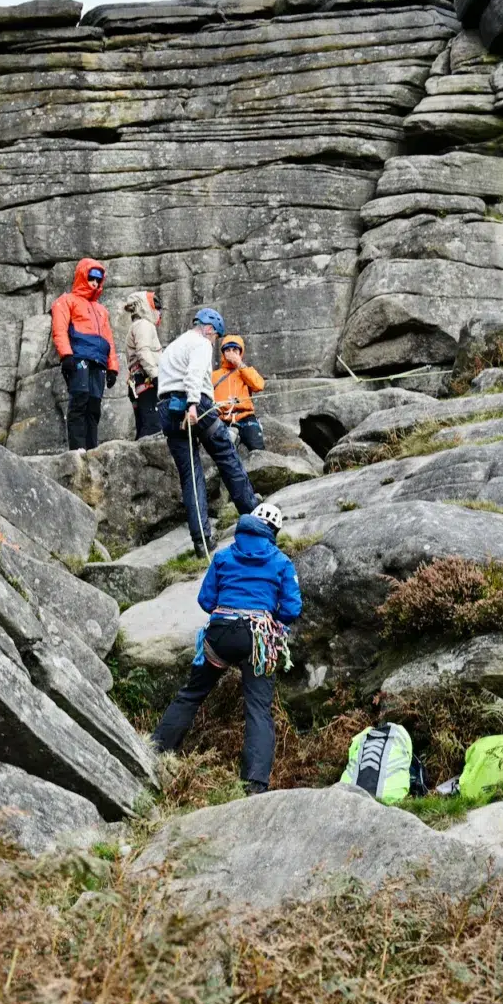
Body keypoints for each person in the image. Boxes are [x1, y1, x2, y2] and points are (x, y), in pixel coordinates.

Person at [151, 503, 301, 794]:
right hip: (256, 639)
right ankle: (255, 784)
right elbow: (293, 608)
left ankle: (155, 751)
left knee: (191, 695)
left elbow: (206, 600)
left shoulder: (222, 556)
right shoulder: (281, 561)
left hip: (219, 635)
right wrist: (270, 618)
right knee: (258, 709)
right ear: (274, 532)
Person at [157, 308, 258, 557]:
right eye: (216, 337)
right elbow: (193, 375)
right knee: (226, 454)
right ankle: (253, 514)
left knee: (190, 474)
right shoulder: (200, 342)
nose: (214, 342)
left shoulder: (173, 346)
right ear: (210, 328)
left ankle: (202, 541)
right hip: (194, 406)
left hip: (166, 410)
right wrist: (192, 404)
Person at [51, 258, 119, 451]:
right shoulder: (66, 301)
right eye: (91, 278)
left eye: (98, 280)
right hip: (78, 357)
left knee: (94, 405)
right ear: (83, 276)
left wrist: (113, 366)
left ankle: (92, 450)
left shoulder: (101, 310)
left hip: (98, 361)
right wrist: (66, 355)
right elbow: (60, 329)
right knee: (79, 400)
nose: (95, 283)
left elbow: (109, 339)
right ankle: (77, 450)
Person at [212, 334, 266, 451]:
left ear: (240, 352)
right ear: (223, 353)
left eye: (235, 349)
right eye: (228, 349)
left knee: (258, 450)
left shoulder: (245, 371)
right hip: (223, 419)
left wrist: (239, 364)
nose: (231, 352)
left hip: (246, 417)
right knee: (224, 453)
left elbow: (259, 385)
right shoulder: (214, 375)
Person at [123, 290, 163, 439]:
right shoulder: (144, 325)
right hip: (146, 380)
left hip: (138, 381)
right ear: (146, 306)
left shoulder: (137, 325)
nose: (159, 312)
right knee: (153, 427)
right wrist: (156, 376)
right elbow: (143, 351)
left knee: (143, 425)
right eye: (156, 307)